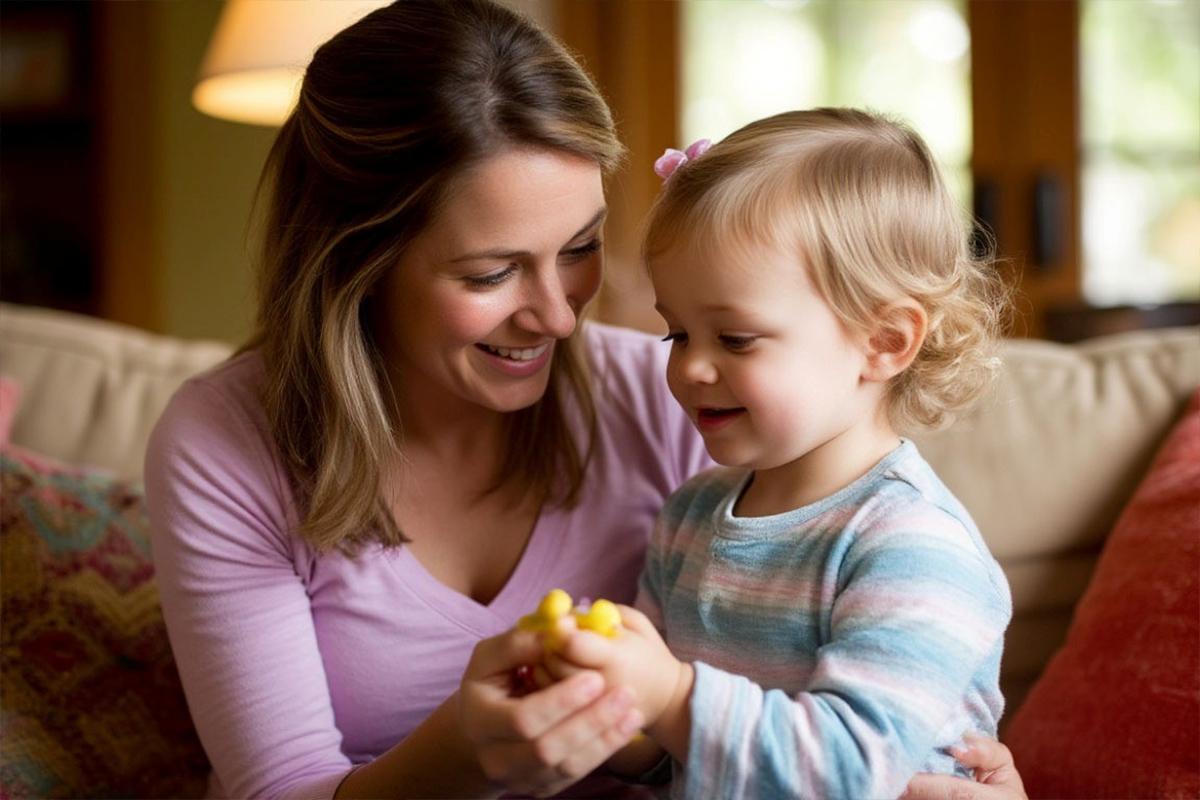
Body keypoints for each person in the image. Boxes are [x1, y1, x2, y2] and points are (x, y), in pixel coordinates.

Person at [143, 0, 1028, 797]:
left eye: (580, 247)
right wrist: (482, 745)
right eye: (491, 271)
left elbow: (848, 728)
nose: (563, 316)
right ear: (358, 264)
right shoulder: (230, 442)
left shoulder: (701, 420)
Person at [537, 109, 1013, 800]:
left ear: (884, 341)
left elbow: (851, 771)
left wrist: (670, 696)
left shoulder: (913, 546)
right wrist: (611, 708)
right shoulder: (691, 516)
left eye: (734, 339)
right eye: (676, 334)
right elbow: (683, 759)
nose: (690, 368)